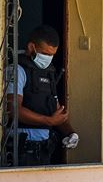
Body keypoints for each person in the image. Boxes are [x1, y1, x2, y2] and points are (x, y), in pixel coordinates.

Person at [5, 25, 79, 166]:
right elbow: (13, 109)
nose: (48, 58)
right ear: (32, 47)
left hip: (44, 149)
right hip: (20, 148)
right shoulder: (17, 70)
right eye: (45, 54)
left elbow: (57, 113)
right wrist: (48, 121)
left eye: (52, 55)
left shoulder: (49, 73)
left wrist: (71, 133)